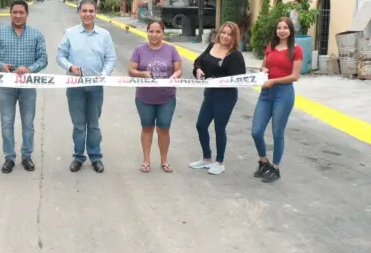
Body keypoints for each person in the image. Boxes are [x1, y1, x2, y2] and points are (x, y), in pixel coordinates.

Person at [0, 0, 48, 174]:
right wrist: (1, 66)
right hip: (7, 85)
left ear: (27, 14)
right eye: (15, 12)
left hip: (28, 86)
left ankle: (27, 156)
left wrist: (29, 69)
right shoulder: (0, 33)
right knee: (7, 122)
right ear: (10, 13)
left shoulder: (36, 34)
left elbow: (43, 59)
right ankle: (9, 157)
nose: (18, 16)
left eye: (21, 12)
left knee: (28, 123)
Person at [56, 0, 117, 173]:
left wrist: (104, 74)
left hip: (96, 87)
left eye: (91, 11)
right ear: (79, 12)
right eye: (84, 11)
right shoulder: (70, 33)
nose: (88, 14)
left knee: (94, 124)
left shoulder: (104, 35)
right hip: (75, 86)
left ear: (95, 12)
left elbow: (111, 58)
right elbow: (60, 56)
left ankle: (96, 157)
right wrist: (70, 67)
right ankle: (78, 157)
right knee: (78, 125)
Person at [189, 22, 246, 175]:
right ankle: (206, 158)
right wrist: (198, 70)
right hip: (210, 93)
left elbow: (240, 77)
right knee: (201, 125)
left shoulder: (235, 56)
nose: (226, 36)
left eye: (230, 34)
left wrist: (220, 77)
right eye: (224, 33)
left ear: (235, 37)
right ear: (220, 33)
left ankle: (219, 162)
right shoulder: (212, 46)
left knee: (219, 128)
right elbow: (198, 61)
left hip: (226, 96)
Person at [251, 16, 303, 183]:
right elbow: (264, 66)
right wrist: (263, 69)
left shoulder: (296, 50)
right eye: (279, 28)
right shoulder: (271, 47)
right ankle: (263, 162)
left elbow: (295, 76)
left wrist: (274, 80)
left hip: (284, 93)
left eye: (285, 28)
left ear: (290, 30)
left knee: (277, 133)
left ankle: (276, 168)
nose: (282, 31)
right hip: (266, 93)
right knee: (256, 131)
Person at [128, 20, 182, 173]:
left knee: (164, 128)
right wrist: (142, 73)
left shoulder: (171, 50)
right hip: (144, 97)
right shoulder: (139, 50)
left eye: (158, 31)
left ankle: (164, 160)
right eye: (151, 31)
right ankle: (146, 160)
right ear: (147, 32)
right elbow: (131, 70)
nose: (154, 34)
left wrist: (175, 76)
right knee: (147, 127)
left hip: (167, 97)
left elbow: (178, 70)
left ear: (163, 33)